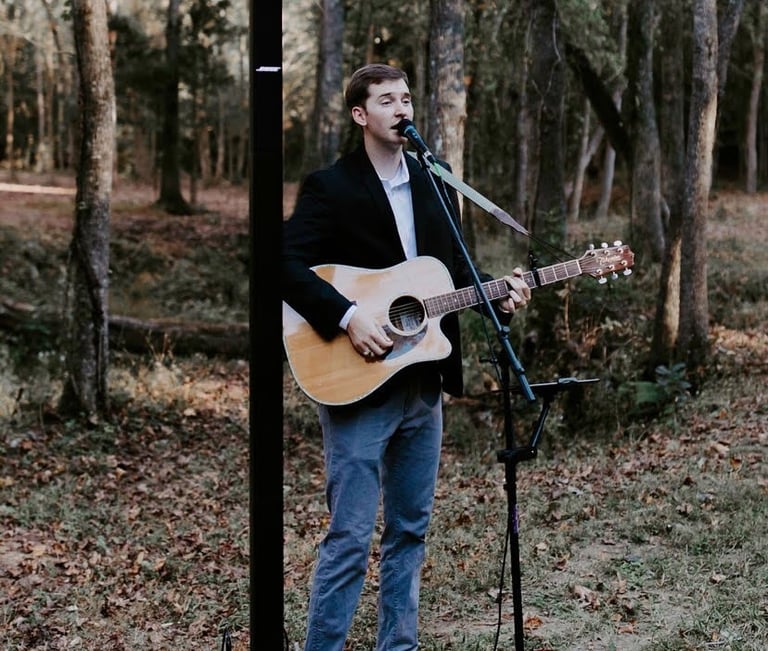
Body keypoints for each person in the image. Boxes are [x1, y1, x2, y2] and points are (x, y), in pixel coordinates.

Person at [282, 63, 532, 651]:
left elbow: (454, 277)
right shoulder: (331, 186)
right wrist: (349, 315)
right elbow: (284, 266)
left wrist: (504, 296)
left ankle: (399, 646)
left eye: (406, 98)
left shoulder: (436, 183)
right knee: (348, 536)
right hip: (357, 382)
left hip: (423, 379)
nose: (402, 108)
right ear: (360, 115)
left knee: (410, 531)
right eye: (387, 100)